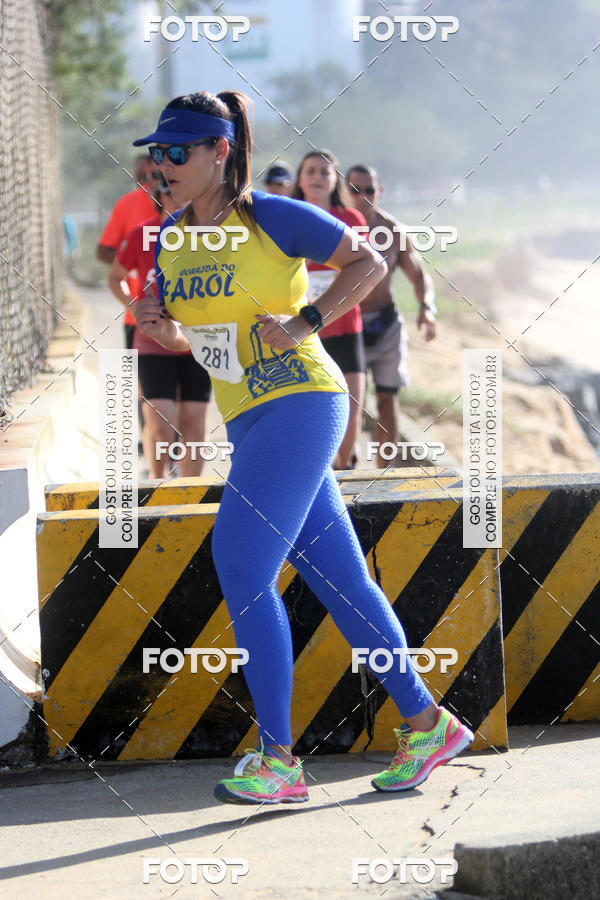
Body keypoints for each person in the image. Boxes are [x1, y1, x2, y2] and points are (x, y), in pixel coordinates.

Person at [132, 90, 473, 805]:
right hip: (249, 417)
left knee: (241, 559)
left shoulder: (269, 215)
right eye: (154, 153)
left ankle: (279, 761)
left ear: (219, 152)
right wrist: (156, 322)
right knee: (341, 582)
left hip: (304, 402)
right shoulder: (171, 236)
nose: (161, 165)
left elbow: (370, 262)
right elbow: (184, 340)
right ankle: (425, 721)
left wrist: (309, 317)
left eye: (176, 152)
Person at [108, 177, 211, 478]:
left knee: (193, 420)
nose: (175, 195)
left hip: (197, 338)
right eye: (167, 190)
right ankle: (157, 483)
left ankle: (191, 491)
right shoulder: (143, 233)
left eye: (181, 187)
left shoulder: (207, 234)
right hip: (153, 339)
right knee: (161, 421)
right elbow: (116, 277)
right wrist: (134, 306)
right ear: (159, 197)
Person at [346, 164, 437, 468]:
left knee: (387, 400)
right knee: (349, 404)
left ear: (379, 192)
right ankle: (346, 468)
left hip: (385, 325)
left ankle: (384, 475)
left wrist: (426, 308)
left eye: (369, 190)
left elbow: (419, 274)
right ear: (345, 192)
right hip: (348, 326)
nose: (362, 196)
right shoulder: (336, 228)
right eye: (355, 189)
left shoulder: (393, 231)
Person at [293, 150, 368, 469]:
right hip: (300, 330)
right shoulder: (288, 219)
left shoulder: (352, 220)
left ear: (335, 179)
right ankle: (314, 472)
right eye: (310, 171)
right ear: (300, 178)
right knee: (307, 408)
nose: (317, 177)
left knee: (351, 406)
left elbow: (366, 271)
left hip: (346, 326)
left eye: (325, 172)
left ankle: (345, 467)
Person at [96, 156, 157, 349]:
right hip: (136, 315)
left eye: (151, 176)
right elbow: (103, 251)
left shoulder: (187, 204)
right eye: (142, 177)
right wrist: (133, 264)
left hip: (181, 318)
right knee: (125, 377)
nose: (146, 182)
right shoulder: (127, 203)